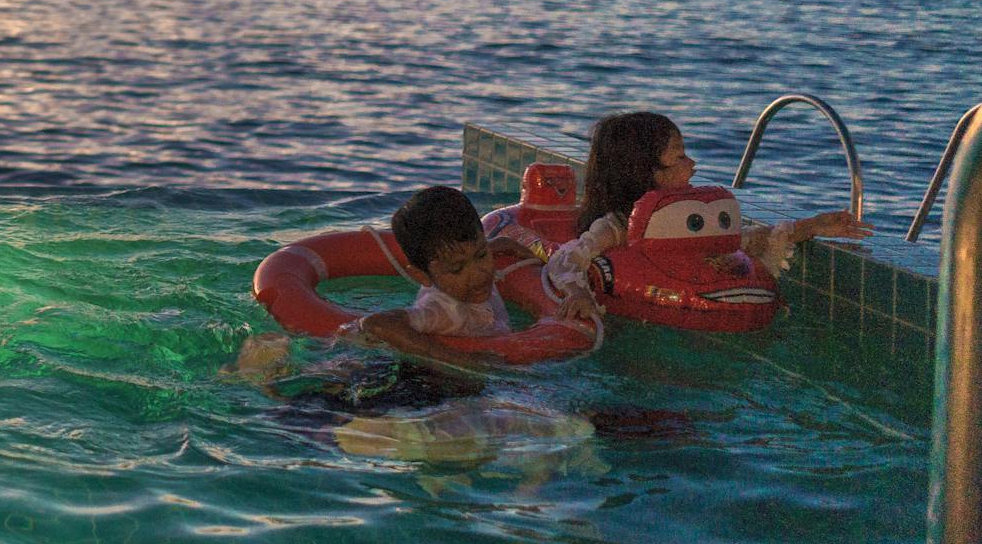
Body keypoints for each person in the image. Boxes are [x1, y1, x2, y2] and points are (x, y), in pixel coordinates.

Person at [542, 110, 870, 299]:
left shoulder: (687, 220)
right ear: (646, 171)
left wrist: (811, 226)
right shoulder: (616, 226)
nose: (693, 164)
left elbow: (745, 240)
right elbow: (564, 261)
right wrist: (581, 295)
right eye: (679, 156)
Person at [357, 185, 519, 363]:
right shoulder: (443, 310)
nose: (479, 273)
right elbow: (377, 324)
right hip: (430, 379)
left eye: (481, 255)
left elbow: (473, 249)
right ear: (422, 276)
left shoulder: (468, 262)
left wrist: (503, 244)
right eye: (457, 269)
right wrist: (461, 359)